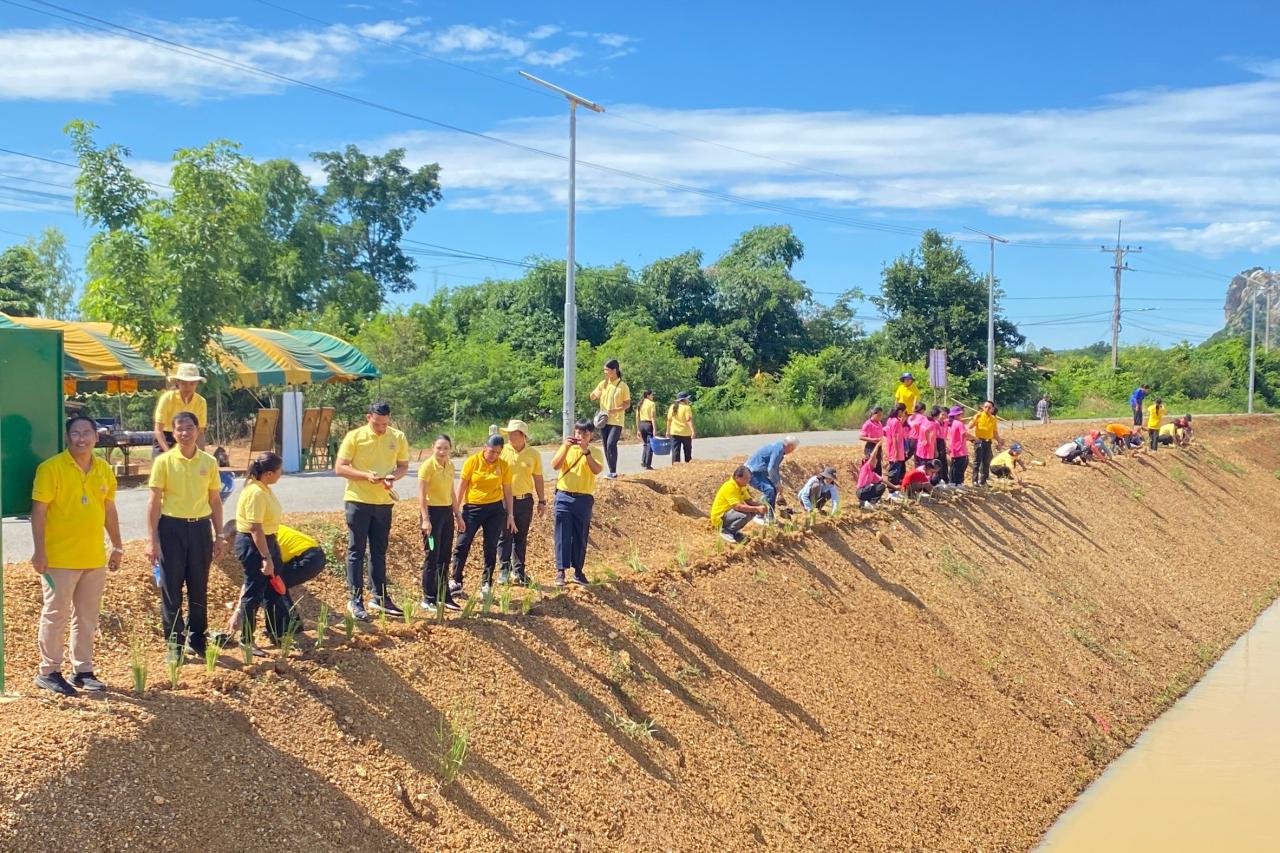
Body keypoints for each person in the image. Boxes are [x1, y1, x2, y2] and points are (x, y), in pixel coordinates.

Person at [29, 415, 124, 696]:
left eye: (86, 433)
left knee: (87, 616)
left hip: (93, 557)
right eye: (75, 433)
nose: (81, 438)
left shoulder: (104, 469)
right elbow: (39, 512)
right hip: (58, 558)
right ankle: (48, 671)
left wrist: (117, 546)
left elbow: (109, 510)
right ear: (68, 437)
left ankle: (82, 670)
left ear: (97, 436)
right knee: (55, 614)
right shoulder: (51, 469)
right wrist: (39, 551)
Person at [146, 411, 225, 660]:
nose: (184, 433)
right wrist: (152, 541)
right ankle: (174, 645)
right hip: (171, 529)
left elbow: (215, 500)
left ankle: (198, 640)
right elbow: (154, 502)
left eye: (189, 428)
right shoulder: (164, 462)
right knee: (171, 589)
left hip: (200, 528)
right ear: (173, 433)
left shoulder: (209, 463)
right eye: (179, 429)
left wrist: (220, 535)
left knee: (199, 587)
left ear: (198, 430)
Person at [335, 401, 410, 621]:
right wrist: (365, 476)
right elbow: (340, 467)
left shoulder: (398, 437)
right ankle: (355, 599)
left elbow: (403, 466)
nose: (381, 428)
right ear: (369, 417)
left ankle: (380, 596)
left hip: (384, 502)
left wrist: (392, 477)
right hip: (357, 500)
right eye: (377, 424)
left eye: (385, 424)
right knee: (356, 550)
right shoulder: (354, 436)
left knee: (379, 551)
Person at [221, 523, 327, 641]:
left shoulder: (258, 541)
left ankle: (285, 628)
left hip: (308, 558)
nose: (234, 548)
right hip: (313, 554)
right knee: (273, 584)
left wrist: (238, 612)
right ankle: (289, 625)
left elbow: (251, 582)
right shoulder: (264, 529)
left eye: (233, 543)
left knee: (268, 585)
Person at [234, 452, 291, 649]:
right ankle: (247, 639)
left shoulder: (264, 488)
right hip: (255, 544)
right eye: (278, 471)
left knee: (273, 590)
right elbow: (255, 528)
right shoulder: (256, 493)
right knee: (253, 592)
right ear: (268, 473)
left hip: (268, 541)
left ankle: (275, 633)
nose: (280, 474)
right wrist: (266, 557)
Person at [451, 434, 516, 597]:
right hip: (473, 508)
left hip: (495, 510)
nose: (493, 455)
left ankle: (486, 583)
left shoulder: (503, 465)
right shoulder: (472, 462)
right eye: (491, 451)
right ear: (484, 448)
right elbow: (462, 486)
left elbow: (507, 490)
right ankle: (456, 580)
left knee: (490, 546)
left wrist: (510, 514)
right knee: (462, 543)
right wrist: (456, 511)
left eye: (497, 452)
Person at [551, 419, 604, 587]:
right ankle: (561, 570)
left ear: (591, 436)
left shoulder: (594, 452)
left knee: (580, 535)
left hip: (583, 498)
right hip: (564, 496)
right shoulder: (566, 448)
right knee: (562, 534)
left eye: (584, 434)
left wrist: (586, 452)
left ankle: (578, 570)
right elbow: (555, 465)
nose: (580, 436)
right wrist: (566, 447)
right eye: (578, 433)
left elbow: (596, 470)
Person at [416, 435, 461, 611]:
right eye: (439, 448)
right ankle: (428, 597)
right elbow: (421, 495)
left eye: (446, 448)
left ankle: (444, 595)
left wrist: (458, 514)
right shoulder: (427, 467)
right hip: (432, 516)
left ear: (450, 449)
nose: (442, 452)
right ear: (432, 447)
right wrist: (425, 519)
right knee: (432, 554)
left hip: (446, 514)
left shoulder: (450, 465)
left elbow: (451, 491)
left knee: (445, 555)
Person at [498, 419, 546, 586]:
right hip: (505, 500)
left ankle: (519, 571)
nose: (509, 436)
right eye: (508, 433)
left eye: (512, 433)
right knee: (505, 536)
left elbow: (538, 477)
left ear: (522, 435)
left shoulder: (533, 454)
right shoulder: (502, 451)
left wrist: (542, 500)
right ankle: (504, 570)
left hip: (525, 500)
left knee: (521, 537)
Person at [153, 363, 208, 454]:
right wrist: (168, 453)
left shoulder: (201, 402)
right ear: (177, 383)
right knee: (162, 465)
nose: (188, 387)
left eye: (192, 384)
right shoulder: (167, 398)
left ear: (197, 384)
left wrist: (201, 454)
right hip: (166, 438)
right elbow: (158, 430)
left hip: (189, 438)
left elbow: (200, 432)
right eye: (184, 383)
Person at [590, 359, 630, 479]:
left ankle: (613, 471)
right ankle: (611, 470)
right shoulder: (603, 384)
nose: (605, 372)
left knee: (611, 443)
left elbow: (627, 403)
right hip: (604, 420)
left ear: (614, 370)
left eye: (607, 370)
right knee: (606, 445)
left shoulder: (623, 386)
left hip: (616, 420)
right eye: (604, 370)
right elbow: (592, 396)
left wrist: (617, 409)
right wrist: (594, 395)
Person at [710, 465, 768, 543]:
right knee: (745, 515)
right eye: (746, 479)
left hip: (730, 514)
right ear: (737, 477)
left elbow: (749, 501)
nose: (748, 481)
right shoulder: (729, 487)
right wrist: (757, 509)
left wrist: (761, 505)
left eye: (749, 478)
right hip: (720, 517)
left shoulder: (742, 486)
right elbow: (737, 507)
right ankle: (727, 531)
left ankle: (734, 531)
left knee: (752, 512)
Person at [745, 436, 800, 518]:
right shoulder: (779, 450)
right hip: (752, 473)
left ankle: (768, 513)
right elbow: (771, 468)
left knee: (772, 489)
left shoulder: (779, 447)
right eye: (794, 448)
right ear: (790, 446)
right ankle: (761, 515)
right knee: (769, 490)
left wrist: (778, 484)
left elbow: (775, 468)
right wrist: (777, 484)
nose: (793, 451)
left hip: (758, 472)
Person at [969, 400, 1002, 486]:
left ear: (992, 409)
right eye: (986, 407)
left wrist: (999, 442)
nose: (987, 409)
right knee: (977, 461)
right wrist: (975, 418)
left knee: (986, 462)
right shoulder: (979, 416)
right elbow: (970, 426)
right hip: (979, 441)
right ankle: (974, 481)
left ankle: (983, 481)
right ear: (983, 407)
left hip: (988, 442)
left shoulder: (993, 419)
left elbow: (995, 433)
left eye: (989, 407)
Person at [854, 442, 892, 506]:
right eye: (875, 461)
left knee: (881, 486)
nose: (876, 463)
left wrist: (895, 487)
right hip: (861, 491)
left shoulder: (873, 474)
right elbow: (873, 456)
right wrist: (877, 446)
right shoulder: (866, 468)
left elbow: (884, 480)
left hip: (864, 491)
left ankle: (867, 502)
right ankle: (866, 502)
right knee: (872, 487)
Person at [666, 391, 695, 465]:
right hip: (685, 432)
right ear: (684, 399)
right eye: (687, 399)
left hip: (674, 432)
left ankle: (675, 466)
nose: (688, 400)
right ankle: (688, 464)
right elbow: (688, 420)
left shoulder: (672, 407)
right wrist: (693, 431)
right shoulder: (686, 408)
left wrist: (667, 431)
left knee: (675, 451)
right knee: (687, 450)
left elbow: (669, 420)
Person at [945, 406, 972, 486]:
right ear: (957, 415)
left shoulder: (951, 423)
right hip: (961, 450)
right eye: (961, 414)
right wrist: (974, 438)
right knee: (961, 467)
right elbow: (964, 434)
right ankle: (959, 483)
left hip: (954, 449)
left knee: (954, 467)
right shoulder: (959, 423)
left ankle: (952, 482)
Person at [883, 404, 908, 485]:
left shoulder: (890, 420)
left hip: (893, 449)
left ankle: (894, 488)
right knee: (895, 471)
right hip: (896, 450)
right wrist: (896, 452)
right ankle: (892, 490)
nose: (904, 414)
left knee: (897, 469)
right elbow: (895, 437)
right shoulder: (896, 422)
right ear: (900, 411)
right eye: (904, 412)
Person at [859, 407, 885, 474]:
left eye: (881, 416)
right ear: (874, 414)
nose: (880, 417)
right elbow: (861, 436)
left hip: (878, 447)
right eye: (879, 415)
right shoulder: (868, 424)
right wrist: (872, 440)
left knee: (878, 466)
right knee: (871, 466)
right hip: (871, 447)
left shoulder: (879, 423)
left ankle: (878, 483)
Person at [636, 390, 657, 470]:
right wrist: (654, 428)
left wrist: (638, 429)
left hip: (641, 424)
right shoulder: (651, 404)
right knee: (650, 444)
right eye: (652, 395)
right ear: (648, 395)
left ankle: (643, 460)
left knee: (645, 443)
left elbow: (637, 417)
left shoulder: (640, 403)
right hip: (648, 424)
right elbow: (653, 417)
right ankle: (648, 464)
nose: (653, 396)